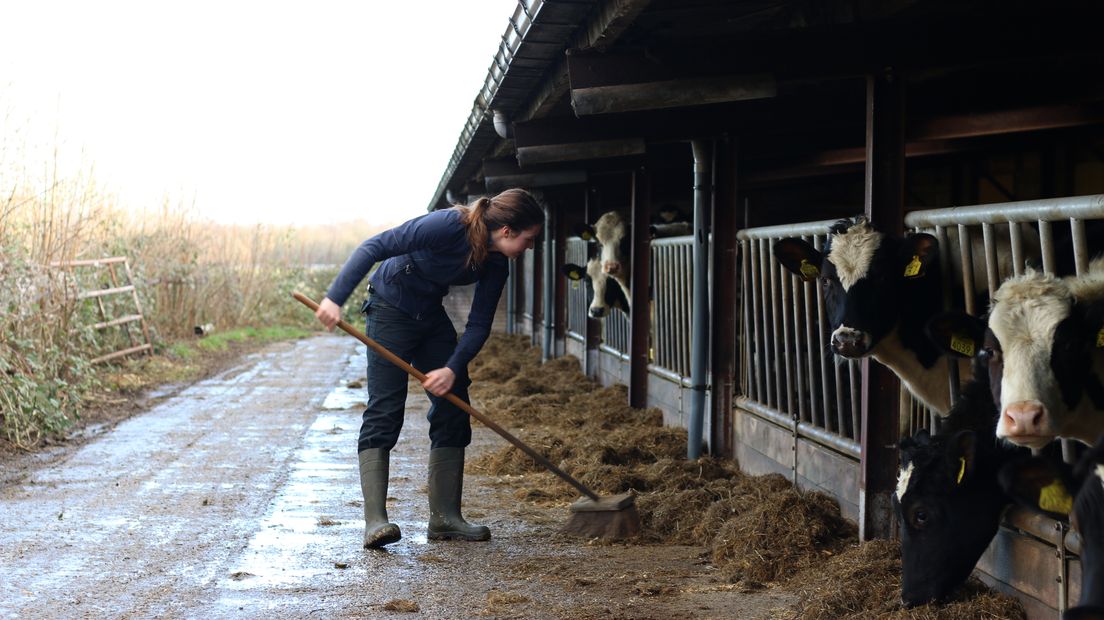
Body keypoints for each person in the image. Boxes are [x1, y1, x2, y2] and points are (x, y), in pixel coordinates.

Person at [315, 188, 543, 548]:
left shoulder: (496, 263)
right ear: (507, 231)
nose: (530, 248)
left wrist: (452, 368)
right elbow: (375, 246)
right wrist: (334, 298)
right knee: (386, 408)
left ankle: (445, 518)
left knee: (454, 401)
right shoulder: (447, 225)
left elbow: (479, 324)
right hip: (390, 307)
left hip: (428, 315)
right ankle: (375, 521)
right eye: (529, 240)